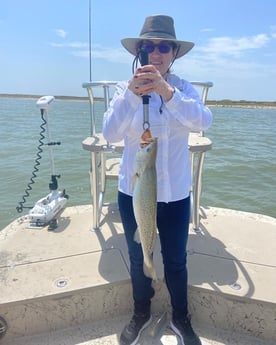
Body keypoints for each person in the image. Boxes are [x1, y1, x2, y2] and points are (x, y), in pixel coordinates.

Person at [103, 14, 212, 345]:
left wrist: (167, 92)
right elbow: (110, 133)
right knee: (138, 259)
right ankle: (141, 312)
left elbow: (203, 121)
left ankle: (181, 317)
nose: (156, 52)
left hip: (175, 195)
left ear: (174, 53)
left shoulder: (182, 88)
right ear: (140, 51)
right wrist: (133, 96)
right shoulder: (125, 90)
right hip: (133, 192)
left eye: (164, 46)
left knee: (177, 260)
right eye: (149, 46)